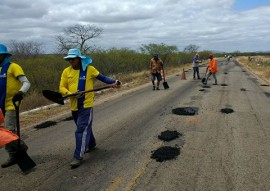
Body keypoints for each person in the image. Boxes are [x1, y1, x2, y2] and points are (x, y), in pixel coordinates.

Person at [59, 48, 121, 168]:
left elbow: (103, 78)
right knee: (83, 127)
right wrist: (69, 92)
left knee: (81, 130)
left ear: (79, 59)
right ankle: (91, 144)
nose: (71, 61)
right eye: (69, 59)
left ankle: (78, 156)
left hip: (86, 105)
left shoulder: (89, 69)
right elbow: (62, 87)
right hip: (74, 105)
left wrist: (114, 82)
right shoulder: (66, 71)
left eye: (73, 59)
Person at [0, 43, 31, 168]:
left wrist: (20, 92)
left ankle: (21, 147)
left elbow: (26, 83)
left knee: (9, 130)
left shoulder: (13, 67)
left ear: (4, 55)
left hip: (12, 103)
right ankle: (13, 153)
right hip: (0, 104)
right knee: (2, 133)